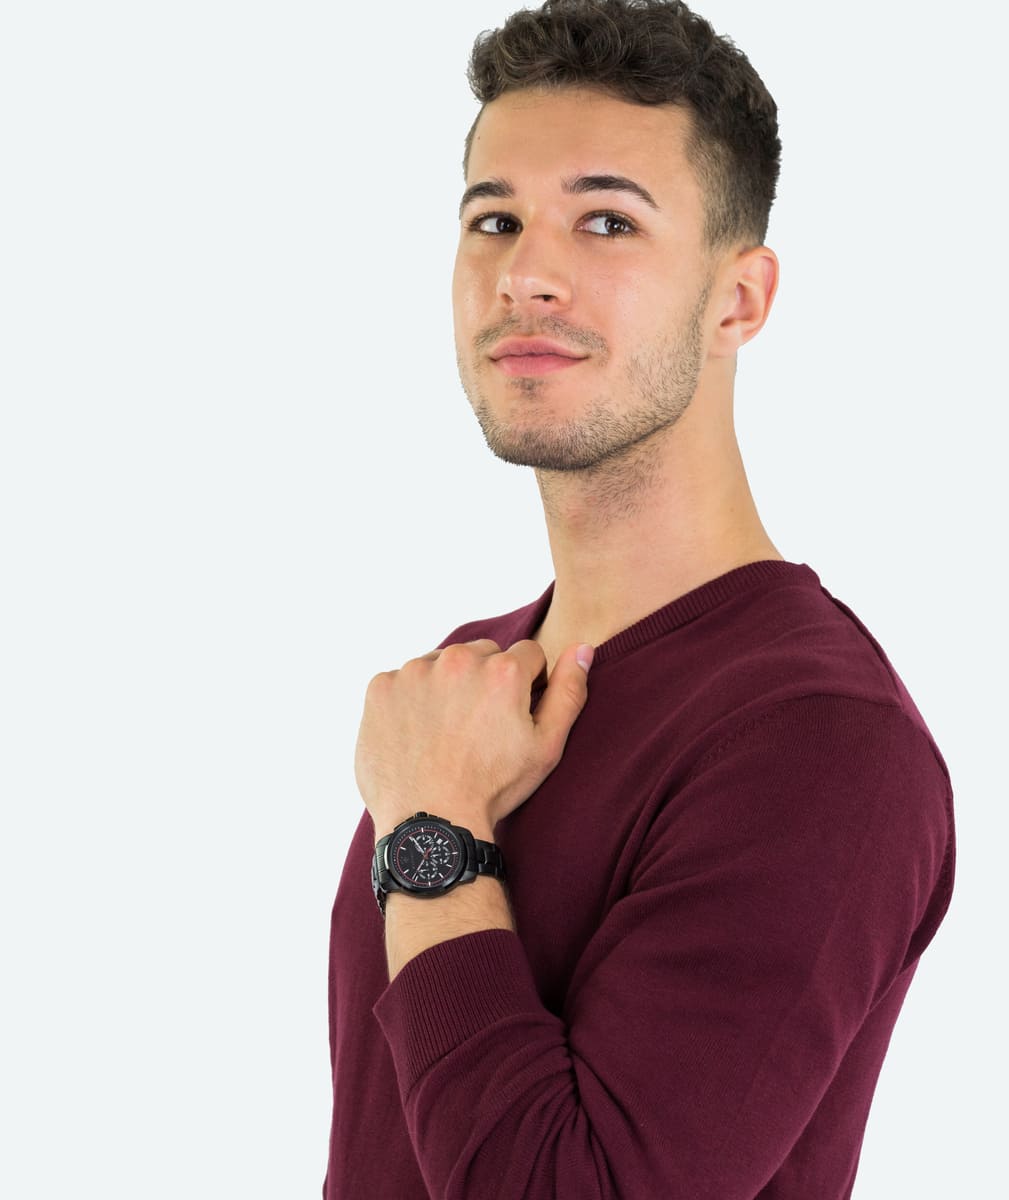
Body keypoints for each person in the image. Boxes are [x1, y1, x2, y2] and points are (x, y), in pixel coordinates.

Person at [325, 1, 955, 1195]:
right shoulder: (468, 691)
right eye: (495, 219)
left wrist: (435, 837)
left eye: (607, 221)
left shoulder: (819, 739)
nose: (526, 274)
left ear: (739, 300)